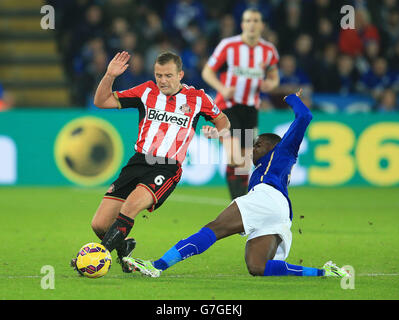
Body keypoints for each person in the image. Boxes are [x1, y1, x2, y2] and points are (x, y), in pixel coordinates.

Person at [123, 89, 350, 278]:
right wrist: (218, 135)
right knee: (257, 267)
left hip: (266, 198)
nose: (253, 148)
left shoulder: (285, 149)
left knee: (214, 228)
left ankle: (157, 266)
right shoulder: (265, 165)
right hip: (280, 212)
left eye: (258, 144)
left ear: (273, 145)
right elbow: (234, 156)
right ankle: (324, 273)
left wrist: (290, 97)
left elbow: (305, 117)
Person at [71, 50, 231, 273]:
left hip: (167, 166)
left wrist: (218, 133)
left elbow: (223, 120)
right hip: (138, 162)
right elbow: (101, 101)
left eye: (168, 76)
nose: (163, 81)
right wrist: (109, 75)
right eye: (159, 75)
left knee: (129, 208)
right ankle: (124, 248)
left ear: (180, 74)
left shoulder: (198, 98)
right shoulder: (146, 91)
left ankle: (96, 257)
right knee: (99, 224)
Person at [202, 7, 280, 200]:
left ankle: (239, 204)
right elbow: (207, 72)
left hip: (250, 109)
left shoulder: (268, 51)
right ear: (242, 24)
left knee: (244, 163)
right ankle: (236, 203)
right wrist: (222, 87)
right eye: (248, 21)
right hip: (227, 106)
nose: (252, 24)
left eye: (255, 21)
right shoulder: (228, 46)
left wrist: (270, 84)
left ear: (262, 25)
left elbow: (274, 77)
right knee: (234, 157)